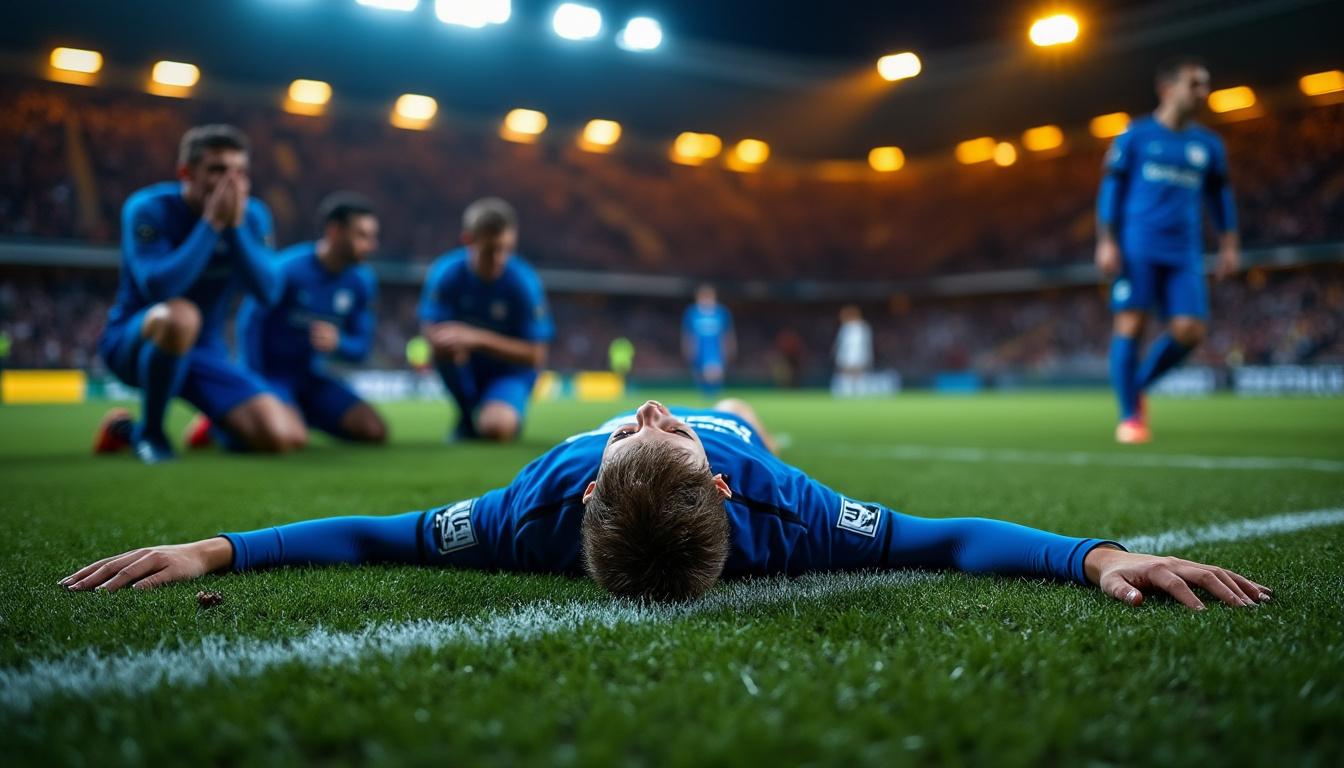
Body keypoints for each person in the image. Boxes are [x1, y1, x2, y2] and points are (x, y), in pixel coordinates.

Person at [63, 399, 1270, 612]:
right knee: (737, 406)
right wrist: (1096, 555)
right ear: (725, 485)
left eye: (656, 429)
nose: (648, 411)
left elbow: (373, 537)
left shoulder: (526, 515)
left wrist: (215, 545)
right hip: (739, 434)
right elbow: (944, 539)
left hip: (708, 443)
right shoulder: (791, 511)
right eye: (657, 429)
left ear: (592, 486)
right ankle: (736, 407)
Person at [92, 124, 303, 463]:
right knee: (180, 316)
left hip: (205, 352)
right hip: (138, 342)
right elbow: (159, 287)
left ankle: (196, 426)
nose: (230, 183)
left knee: (283, 436)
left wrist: (234, 228)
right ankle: (150, 433)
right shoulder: (148, 208)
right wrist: (211, 224)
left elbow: (268, 292)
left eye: (239, 172)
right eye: (217, 170)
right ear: (185, 173)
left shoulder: (252, 216)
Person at [1096, 56, 1240, 444]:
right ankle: (1130, 418)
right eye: (1194, 84)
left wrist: (1229, 244)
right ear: (1167, 88)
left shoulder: (1209, 145)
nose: (1203, 92)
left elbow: (1220, 198)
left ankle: (1137, 386)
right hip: (1137, 246)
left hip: (1185, 251)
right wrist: (1107, 240)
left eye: (1205, 84)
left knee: (1190, 331)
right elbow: (1111, 190)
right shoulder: (1135, 135)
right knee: (1131, 324)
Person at [186, 192, 387, 448]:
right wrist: (254, 387)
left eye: (372, 236)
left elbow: (361, 346)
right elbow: (250, 324)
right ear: (335, 231)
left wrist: (339, 343)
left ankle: (295, 414)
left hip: (309, 377)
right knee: (290, 439)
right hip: (271, 375)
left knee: (373, 430)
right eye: (362, 235)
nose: (372, 245)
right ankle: (220, 424)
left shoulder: (361, 282)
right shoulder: (288, 269)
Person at [419, 198, 552, 443]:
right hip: (467, 367)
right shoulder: (446, 273)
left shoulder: (524, 282)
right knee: (443, 345)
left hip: (510, 373)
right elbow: (430, 331)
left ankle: (495, 413)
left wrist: (476, 338)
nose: (499, 258)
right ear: (468, 240)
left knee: (496, 428)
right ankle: (467, 415)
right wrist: (450, 340)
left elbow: (536, 355)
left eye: (507, 249)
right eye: (490, 250)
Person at [682, 284, 735, 398]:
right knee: (700, 373)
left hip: (715, 348)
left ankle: (715, 393)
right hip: (699, 348)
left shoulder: (721, 312)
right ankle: (704, 394)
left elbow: (727, 333)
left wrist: (729, 347)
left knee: (714, 373)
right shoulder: (692, 312)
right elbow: (688, 333)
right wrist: (688, 348)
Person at [832, 305, 874, 397]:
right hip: (846, 355)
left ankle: (860, 393)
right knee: (845, 375)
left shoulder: (861, 327)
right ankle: (846, 393)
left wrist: (866, 357)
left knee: (858, 374)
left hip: (857, 355)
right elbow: (840, 344)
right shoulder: (845, 327)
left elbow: (864, 345)